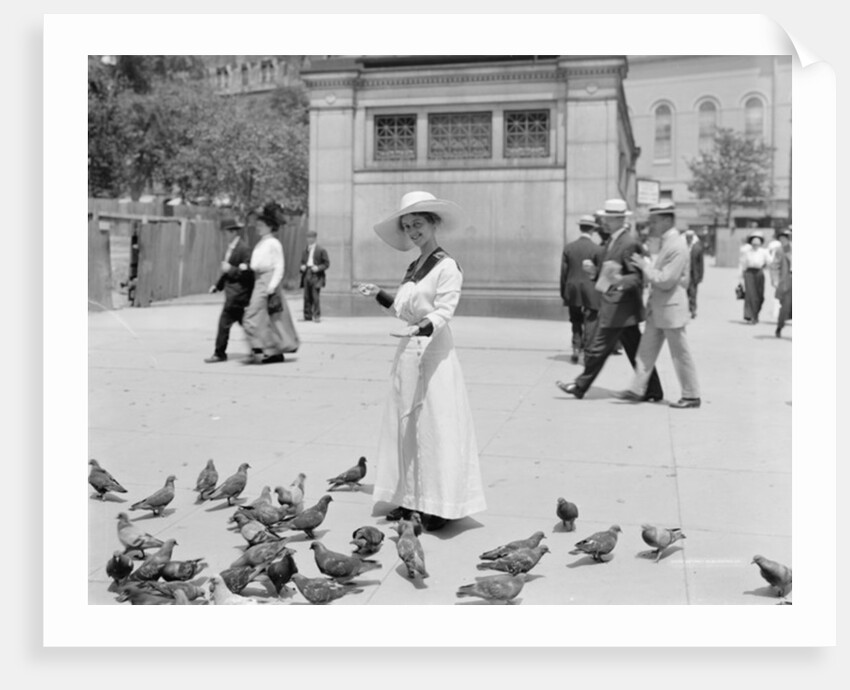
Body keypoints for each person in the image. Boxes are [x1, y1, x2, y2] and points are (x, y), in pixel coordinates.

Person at [355, 191, 486, 532]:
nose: (413, 231)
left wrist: (420, 328)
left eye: (418, 224)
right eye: (408, 226)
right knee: (407, 428)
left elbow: (444, 312)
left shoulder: (446, 266)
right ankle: (409, 498)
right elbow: (403, 309)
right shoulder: (414, 267)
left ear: (433, 223)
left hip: (435, 353)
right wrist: (379, 295)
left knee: (435, 427)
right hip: (408, 352)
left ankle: (439, 506)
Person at [556, 199, 663, 401]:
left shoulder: (629, 243)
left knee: (599, 348)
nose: (604, 221)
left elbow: (636, 277)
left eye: (608, 218)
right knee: (635, 352)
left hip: (620, 307)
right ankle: (654, 390)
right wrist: (593, 273)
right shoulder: (612, 242)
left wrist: (619, 280)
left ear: (618, 219)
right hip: (619, 308)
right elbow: (608, 273)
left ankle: (580, 386)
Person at [618, 202, 701, 409]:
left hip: (671, 309)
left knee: (680, 354)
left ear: (667, 220)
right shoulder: (669, 243)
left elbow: (666, 280)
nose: (650, 226)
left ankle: (691, 395)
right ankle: (638, 389)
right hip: (659, 309)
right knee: (645, 351)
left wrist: (645, 267)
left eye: (654, 222)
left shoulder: (677, 246)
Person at [242, 204, 290, 364]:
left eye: (261, 226)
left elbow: (279, 265)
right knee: (264, 318)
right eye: (257, 225)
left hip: (267, 280)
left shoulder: (274, 243)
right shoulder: (262, 242)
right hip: (260, 279)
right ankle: (272, 351)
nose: (258, 228)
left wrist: (272, 286)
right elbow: (257, 263)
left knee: (251, 316)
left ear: (270, 227)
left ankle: (260, 348)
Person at [204, 216, 255, 363]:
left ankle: (220, 353)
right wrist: (217, 286)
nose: (224, 235)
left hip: (238, 294)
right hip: (233, 294)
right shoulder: (232, 248)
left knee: (224, 323)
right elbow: (226, 271)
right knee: (245, 324)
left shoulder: (243, 249)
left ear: (232, 232)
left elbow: (248, 272)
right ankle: (258, 348)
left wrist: (231, 269)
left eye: (226, 232)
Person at [560, 215, 605, 363]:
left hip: (572, 288)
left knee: (575, 319)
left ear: (580, 228)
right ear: (593, 229)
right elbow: (600, 273)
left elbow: (564, 273)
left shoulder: (569, 248)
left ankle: (575, 347)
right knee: (590, 320)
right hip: (591, 290)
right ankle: (588, 352)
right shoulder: (597, 249)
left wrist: (563, 292)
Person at [738, 228, 770, 324]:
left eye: (757, 243)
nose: (755, 245)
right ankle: (749, 315)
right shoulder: (747, 252)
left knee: (759, 296)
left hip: (759, 273)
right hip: (749, 274)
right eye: (753, 243)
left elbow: (770, 262)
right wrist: (740, 278)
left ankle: (756, 314)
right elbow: (742, 264)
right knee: (750, 295)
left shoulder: (764, 252)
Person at [299, 230, 330, 323]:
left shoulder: (321, 250)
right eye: (308, 237)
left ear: (315, 238)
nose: (309, 239)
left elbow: (326, 263)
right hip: (307, 272)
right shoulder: (305, 250)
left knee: (315, 295)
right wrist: (302, 266)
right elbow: (302, 262)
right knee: (306, 296)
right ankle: (307, 315)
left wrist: (318, 268)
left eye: (311, 237)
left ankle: (317, 316)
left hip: (316, 275)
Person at [774, 228, 792, 338]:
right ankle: (779, 327)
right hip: (788, 280)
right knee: (785, 306)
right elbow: (775, 266)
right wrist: (775, 279)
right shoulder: (782, 250)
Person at [684, 228, 705, 318]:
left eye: (690, 237)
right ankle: (685, 310)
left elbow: (701, 263)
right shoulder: (682, 246)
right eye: (687, 237)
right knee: (684, 293)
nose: (688, 238)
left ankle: (693, 310)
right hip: (684, 274)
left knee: (693, 293)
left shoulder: (697, 248)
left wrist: (700, 276)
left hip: (693, 274)